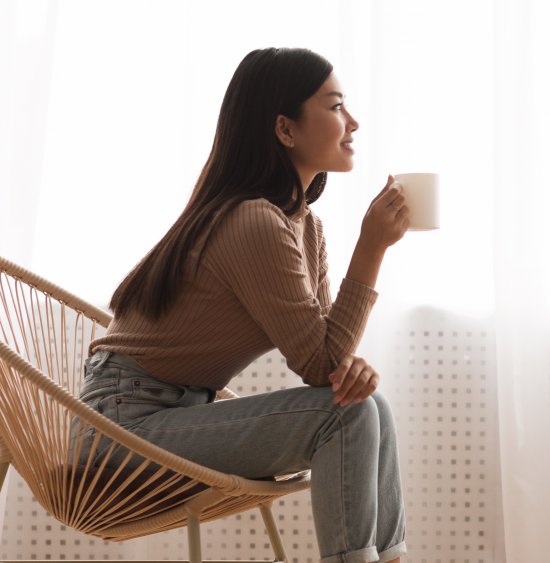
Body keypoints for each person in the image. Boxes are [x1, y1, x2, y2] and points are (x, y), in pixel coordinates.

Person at [80, 47, 409, 563]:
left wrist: (354, 372)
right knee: (345, 416)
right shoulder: (253, 221)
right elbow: (320, 365)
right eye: (335, 106)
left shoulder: (303, 225)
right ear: (285, 129)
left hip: (175, 414)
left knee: (369, 405)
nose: (354, 122)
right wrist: (371, 249)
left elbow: (328, 361)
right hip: (121, 431)